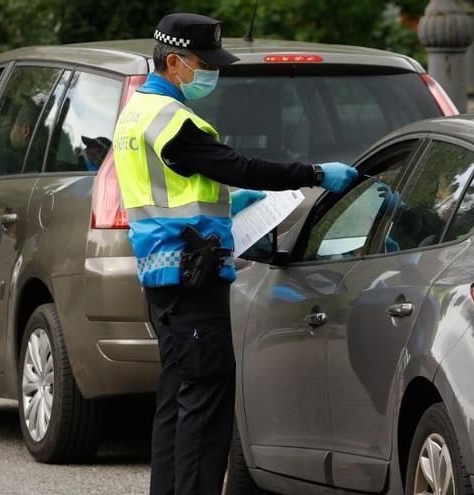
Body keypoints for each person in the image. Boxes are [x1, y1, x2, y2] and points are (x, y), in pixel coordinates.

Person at [112, 13, 358, 495]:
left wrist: (228, 210)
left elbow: (187, 185)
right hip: (191, 274)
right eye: (205, 64)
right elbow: (236, 165)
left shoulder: (137, 111)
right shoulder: (171, 120)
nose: (211, 74)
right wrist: (312, 172)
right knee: (206, 397)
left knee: (177, 397)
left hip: (163, 273)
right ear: (176, 61)